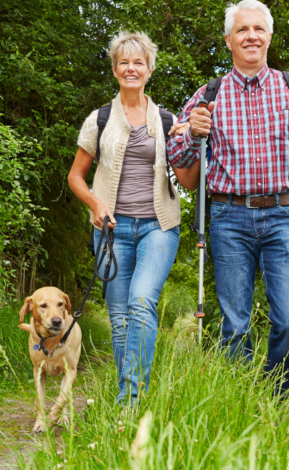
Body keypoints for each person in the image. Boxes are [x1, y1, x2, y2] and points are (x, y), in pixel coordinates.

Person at [168, 0, 289, 393]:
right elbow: (179, 159)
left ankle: (275, 397)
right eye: (242, 30)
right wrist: (192, 133)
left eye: (258, 29)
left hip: (285, 215)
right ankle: (242, 405)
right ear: (228, 41)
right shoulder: (208, 94)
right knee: (234, 326)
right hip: (227, 217)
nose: (251, 36)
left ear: (269, 36)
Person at [68, 31, 198, 405]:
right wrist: (95, 204)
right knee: (121, 320)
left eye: (138, 62)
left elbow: (187, 181)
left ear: (149, 69)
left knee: (142, 302)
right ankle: (131, 401)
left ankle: (131, 399)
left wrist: (194, 144)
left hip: (159, 227)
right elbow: (76, 176)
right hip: (112, 231)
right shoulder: (100, 119)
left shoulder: (169, 120)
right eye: (123, 62)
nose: (131, 68)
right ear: (114, 69)